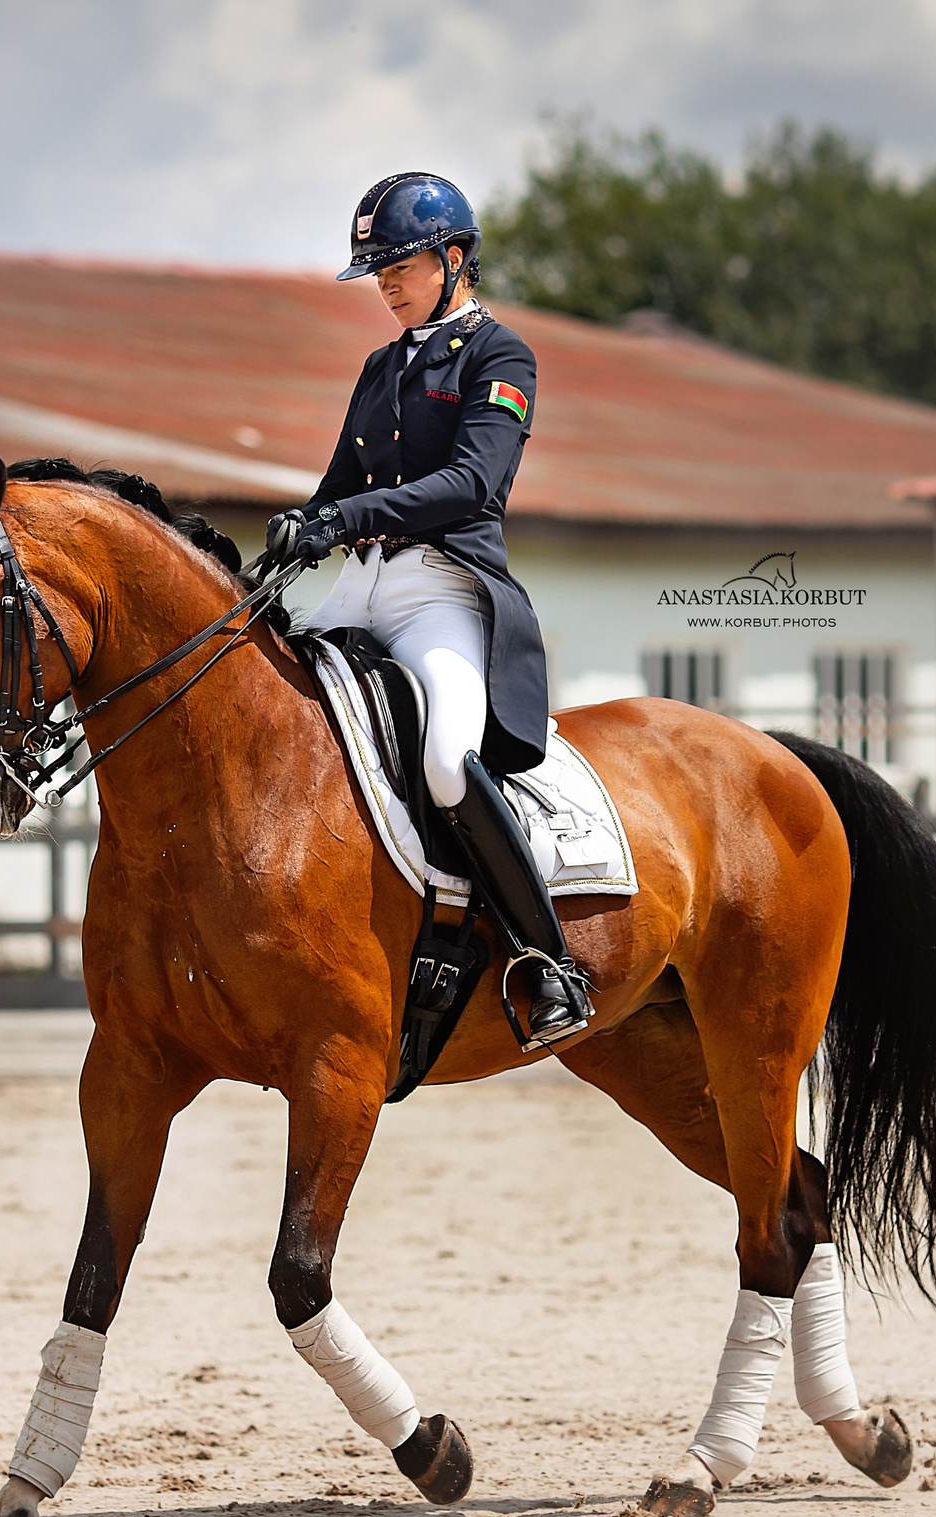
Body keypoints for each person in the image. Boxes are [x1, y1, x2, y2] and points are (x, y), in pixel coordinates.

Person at [263, 171, 591, 1047]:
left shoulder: (500, 356)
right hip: (361, 585)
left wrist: (345, 517)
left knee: (448, 762)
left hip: (443, 589)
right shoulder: (381, 367)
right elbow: (340, 485)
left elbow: (471, 483)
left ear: (453, 258)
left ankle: (546, 959)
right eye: (375, 271)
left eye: (397, 266)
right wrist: (294, 533)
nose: (384, 285)